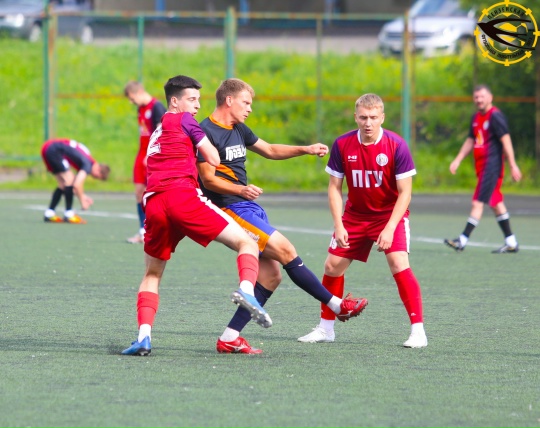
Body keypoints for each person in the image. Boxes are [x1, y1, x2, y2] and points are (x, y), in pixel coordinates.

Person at [196, 78, 368, 355]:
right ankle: (337, 306)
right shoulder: (205, 132)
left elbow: (270, 150)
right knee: (286, 250)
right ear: (229, 100)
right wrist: (241, 189)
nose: (250, 108)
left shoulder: (238, 128)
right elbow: (208, 179)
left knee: (271, 277)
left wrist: (305, 149)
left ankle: (229, 337)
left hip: (247, 207)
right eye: (246, 103)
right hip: (230, 209)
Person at [121, 75, 272, 357]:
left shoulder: (156, 131)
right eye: (192, 100)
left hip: (154, 203)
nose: (197, 106)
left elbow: (149, 162)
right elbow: (213, 158)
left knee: (152, 274)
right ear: (174, 102)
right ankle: (247, 291)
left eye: (198, 100)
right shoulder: (185, 120)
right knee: (248, 243)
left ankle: (143, 337)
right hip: (183, 197)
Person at [297, 93, 428, 348]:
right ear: (356, 117)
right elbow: (335, 188)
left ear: (382, 118)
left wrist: (389, 228)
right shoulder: (343, 144)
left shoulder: (397, 145)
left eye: (373, 118)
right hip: (355, 216)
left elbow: (405, 193)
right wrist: (339, 225)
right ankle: (326, 329)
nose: (368, 123)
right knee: (332, 266)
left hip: (388, 215)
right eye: (363, 117)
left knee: (398, 262)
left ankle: (418, 332)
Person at [444, 84, 522, 254]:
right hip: (482, 167)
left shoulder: (495, 116)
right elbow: (470, 140)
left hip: (491, 167)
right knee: (496, 203)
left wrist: (512, 164)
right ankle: (511, 242)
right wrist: (457, 159)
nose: (479, 100)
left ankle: (462, 240)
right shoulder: (476, 117)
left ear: (490, 97)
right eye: (476, 97)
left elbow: (506, 140)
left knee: (477, 202)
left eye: (482, 96)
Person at [124, 81, 167, 244]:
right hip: (141, 152)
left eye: (131, 98)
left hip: (152, 154)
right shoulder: (140, 109)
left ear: (138, 92)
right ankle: (142, 232)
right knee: (139, 192)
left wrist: (151, 153)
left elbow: (162, 133)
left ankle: (156, 231)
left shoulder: (157, 107)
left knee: (153, 194)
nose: (131, 102)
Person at [41, 138, 110, 224]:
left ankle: (49, 213)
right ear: (98, 169)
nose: (94, 177)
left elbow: (74, 187)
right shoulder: (88, 165)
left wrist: (83, 195)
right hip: (54, 150)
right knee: (69, 179)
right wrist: (82, 201)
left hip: (48, 147)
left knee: (63, 184)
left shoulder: (88, 159)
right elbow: (77, 185)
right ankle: (69, 214)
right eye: (97, 176)